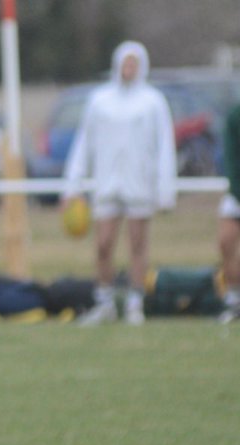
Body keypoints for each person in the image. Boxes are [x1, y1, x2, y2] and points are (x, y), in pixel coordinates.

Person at [61, 40, 177, 326]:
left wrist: (165, 190)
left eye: (133, 63)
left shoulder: (153, 101)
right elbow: (84, 144)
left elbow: (165, 147)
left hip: (139, 185)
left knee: (138, 245)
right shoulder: (99, 100)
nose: (129, 68)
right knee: (103, 244)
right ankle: (105, 301)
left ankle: (135, 303)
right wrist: (72, 185)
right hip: (107, 185)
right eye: (125, 63)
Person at [218, 100, 240, 324]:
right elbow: (231, 159)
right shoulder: (235, 115)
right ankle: (235, 301)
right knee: (226, 242)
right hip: (237, 193)